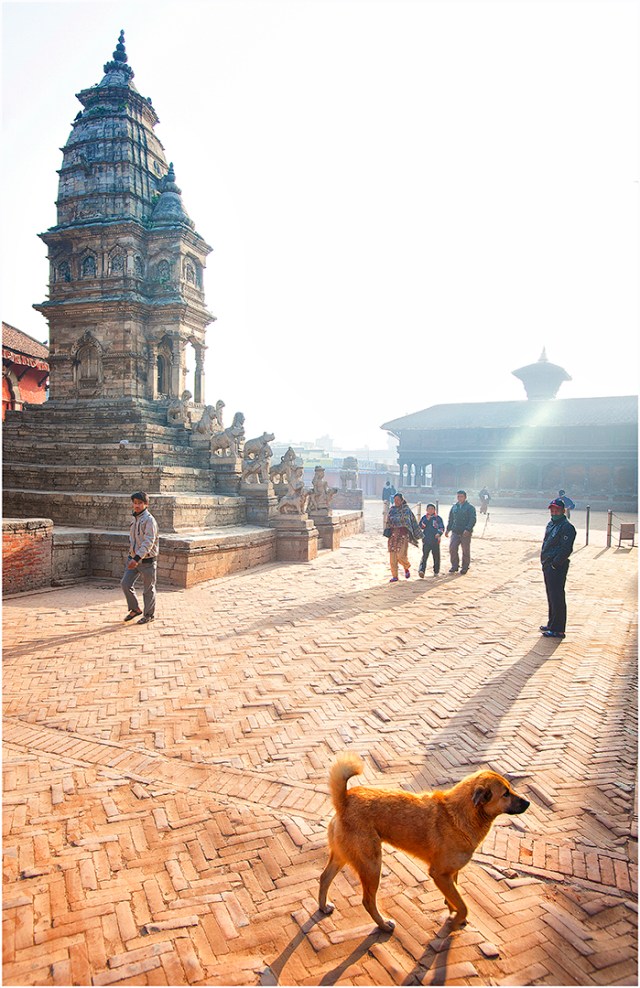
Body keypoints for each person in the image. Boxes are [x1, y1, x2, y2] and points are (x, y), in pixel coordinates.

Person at [540, 497, 576, 639]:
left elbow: (566, 549)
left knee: (557, 596)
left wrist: (555, 563)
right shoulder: (551, 524)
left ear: (563, 511)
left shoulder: (567, 527)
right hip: (548, 563)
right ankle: (552, 623)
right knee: (551, 595)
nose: (554, 512)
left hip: (557, 566)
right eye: (552, 510)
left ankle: (558, 628)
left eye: (557, 510)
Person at [121, 491, 159, 625]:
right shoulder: (134, 519)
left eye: (140, 503)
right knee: (125, 584)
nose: (136, 506)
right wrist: (132, 556)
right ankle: (135, 609)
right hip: (133, 558)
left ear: (146, 504)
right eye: (135, 503)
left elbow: (149, 541)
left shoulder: (149, 520)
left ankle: (149, 615)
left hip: (146, 560)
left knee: (148, 589)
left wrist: (136, 558)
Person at [385, 493, 422, 582]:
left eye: (398, 500)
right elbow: (388, 522)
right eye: (395, 500)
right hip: (393, 536)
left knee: (401, 555)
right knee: (392, 557)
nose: (396, 501)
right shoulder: (392, 510)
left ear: (402, 500)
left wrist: (415, 533)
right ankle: (395, 576)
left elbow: (411, 521)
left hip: (403, 535)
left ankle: (406, 567)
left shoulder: (406, 510)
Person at [445, 490, 477, 574]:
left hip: (465, 532)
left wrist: (468, 529)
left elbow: (472, 519)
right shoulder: (454, 507)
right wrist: (448, 529)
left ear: (465, 497)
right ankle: (454, 565)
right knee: (452, 548)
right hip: (455, 531)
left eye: (461, 496)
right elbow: (451, 519)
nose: (459, 498)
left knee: (465, 550)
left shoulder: (470, 508)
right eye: (458, 496)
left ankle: (465, 567)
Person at [418, 503, 445, 577]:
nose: (430, 510)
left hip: (435, 540)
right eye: (429, 509)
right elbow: (421, 526)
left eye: (432, 509)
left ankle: (436, 571)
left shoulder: (438, 518)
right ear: (426, 510)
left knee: (436, 556)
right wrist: (427, 520)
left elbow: (441, 527)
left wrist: (439, 533)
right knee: (424, 556)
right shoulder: (424, 517)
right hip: (426, 540)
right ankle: (422, 570)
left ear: (434, 510)